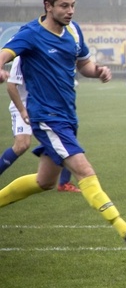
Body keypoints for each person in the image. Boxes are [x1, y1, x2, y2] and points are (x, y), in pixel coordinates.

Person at [0, 0, 126, 248]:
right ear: (48, 6)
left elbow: (84, 65)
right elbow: (4, 55)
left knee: (44, 181)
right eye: (64, 6)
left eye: (72, 6)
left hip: (68, 116)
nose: (70, 11)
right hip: (47, 118)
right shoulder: (30, 34)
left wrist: (98, 71)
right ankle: (125, 229)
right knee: (84, 170)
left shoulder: (74, 32)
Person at [0, 56, 82, 193]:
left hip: (43, 106)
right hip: (23, 104)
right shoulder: (23, 55)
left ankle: (64, 183)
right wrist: (22, 110)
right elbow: (11, 86)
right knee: (22, 145)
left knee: (66, 138)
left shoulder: (46, 51)